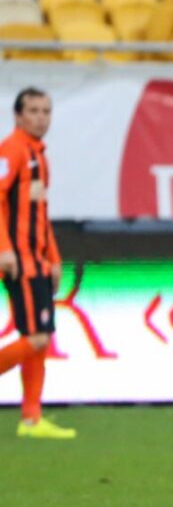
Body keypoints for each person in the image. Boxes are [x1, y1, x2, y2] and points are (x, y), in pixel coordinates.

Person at [0, 88, 75, 440]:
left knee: (39, 339)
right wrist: (5, 249)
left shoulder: (39, 155)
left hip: (38, 260)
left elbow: (40, 215)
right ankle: (31, 417)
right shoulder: (12, 149)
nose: (41, 117)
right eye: (33, 110)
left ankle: (31, 418)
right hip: (21, 260)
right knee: (37, 337)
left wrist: (55, 258)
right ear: (18, 116)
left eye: (47, 110)